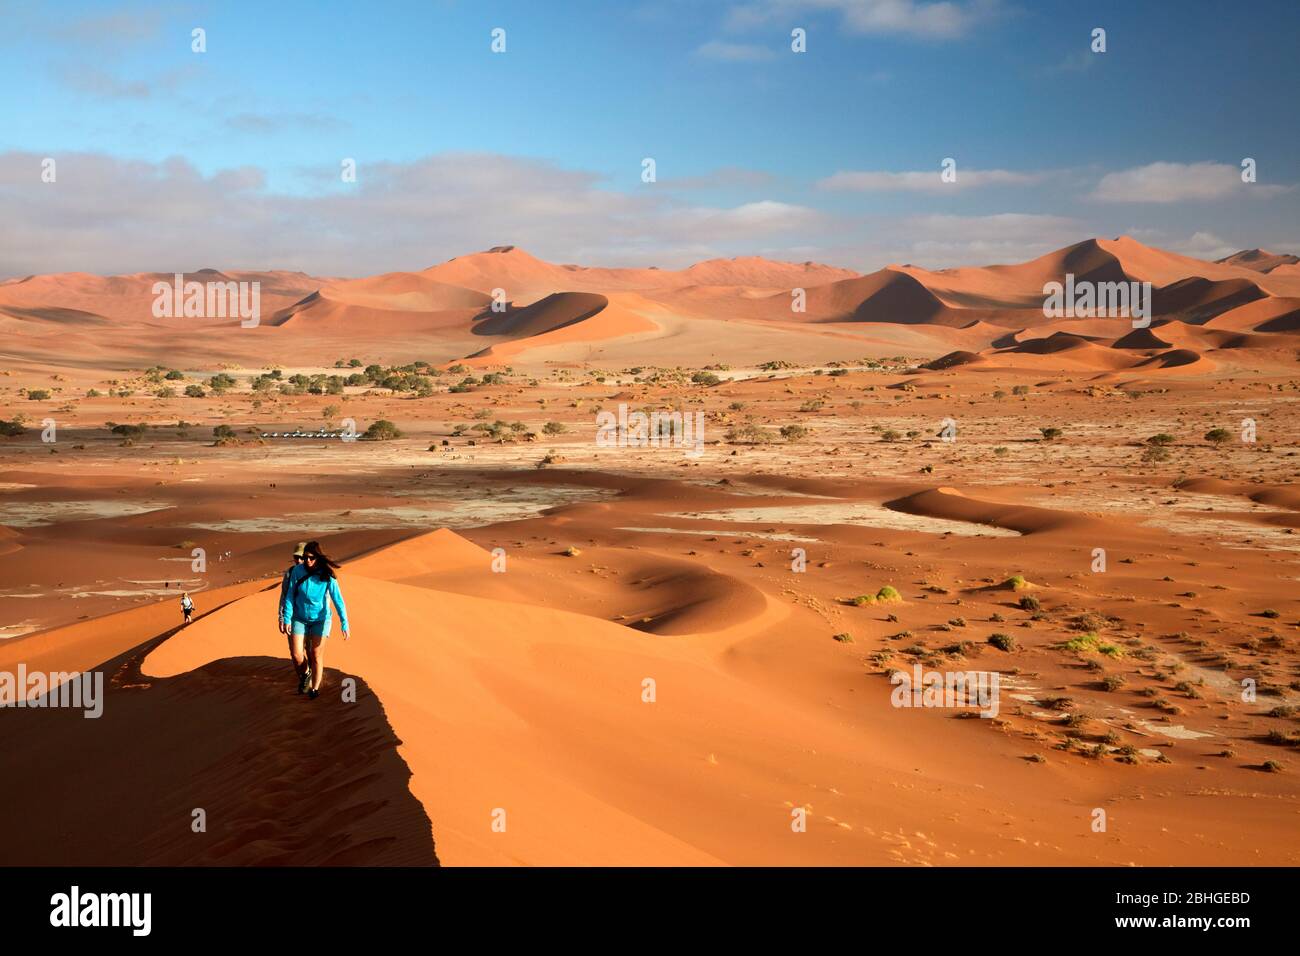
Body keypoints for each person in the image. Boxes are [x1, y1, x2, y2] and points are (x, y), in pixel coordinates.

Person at [279, 541, 350, 700]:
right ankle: (306, 674)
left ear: (318, 557)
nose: (307, 561)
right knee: (297, 654)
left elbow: (338, 600)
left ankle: (315, 689)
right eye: (305, 558)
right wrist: (287, 617)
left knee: (315, 653)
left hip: (321, 619)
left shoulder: (327, 575)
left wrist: (344, 622)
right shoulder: (297, 571)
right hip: (299, 617)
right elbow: (289, 595)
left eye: (311, 558)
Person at [279, 542, 311, 693]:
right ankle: (304, 678)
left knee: (311, 652)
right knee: (295, 653)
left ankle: (309, 682)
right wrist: (281, 617)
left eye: (301, 557)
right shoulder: (290, 573)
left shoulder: (314, 573)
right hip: (292, 618)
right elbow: (285, 596)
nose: (298, 560)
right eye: (295, 557)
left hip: (310, 619)